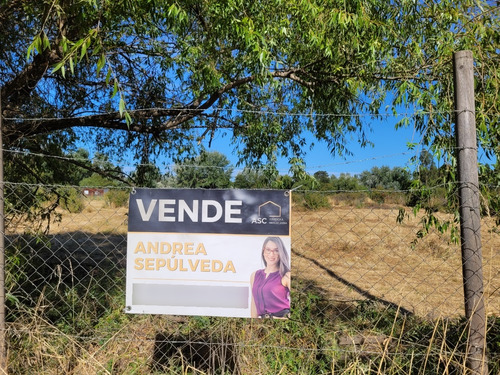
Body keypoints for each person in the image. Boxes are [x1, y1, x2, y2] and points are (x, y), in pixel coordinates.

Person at [250, 236, 291, 318]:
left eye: (276, 250)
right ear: (263, 251)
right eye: (268, 250)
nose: (271, 254)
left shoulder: (286, 275)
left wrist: (284, 319)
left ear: (281, 253)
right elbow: (254, 304)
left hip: (281, 320)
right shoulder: (255, 275)